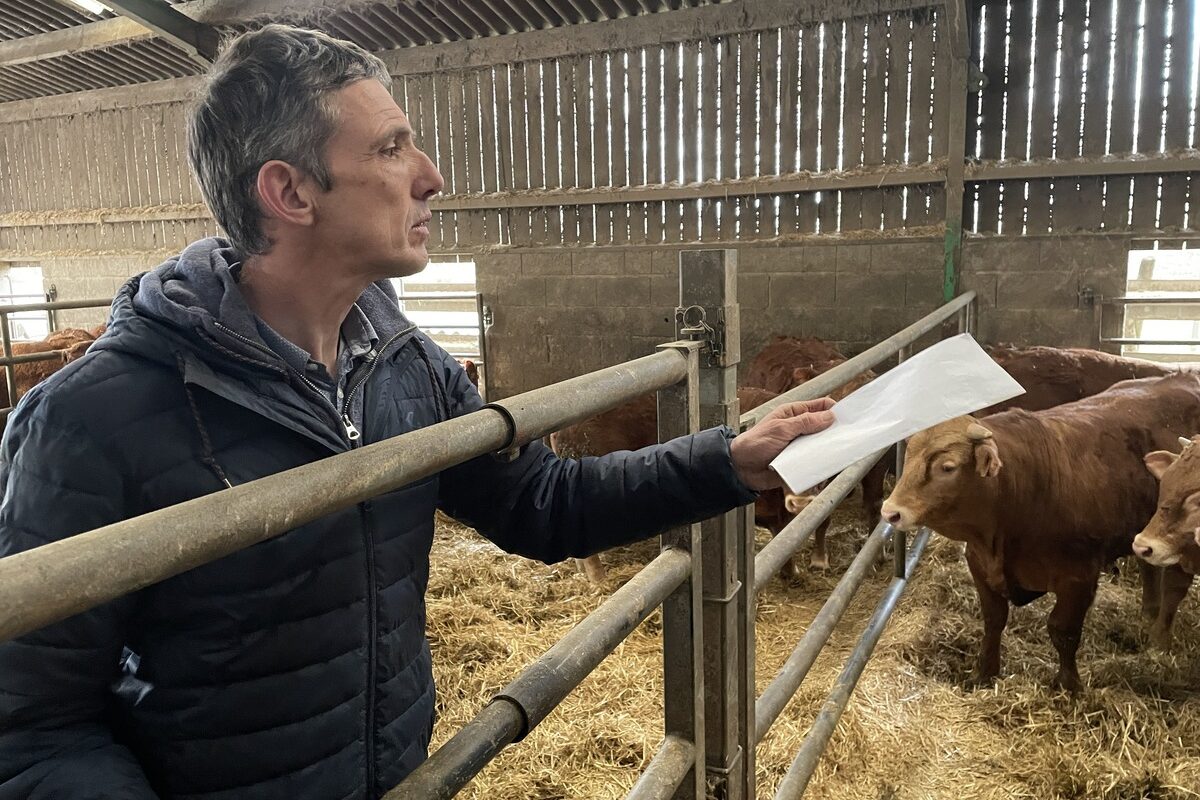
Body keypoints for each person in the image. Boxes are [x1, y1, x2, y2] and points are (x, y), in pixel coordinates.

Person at [0, 25, 835, 800]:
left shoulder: (402, 363)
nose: (431, 175)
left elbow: (540, 505)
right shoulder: (91, 419)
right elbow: (32, 727)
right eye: (392, 148)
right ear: (290, 192)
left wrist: (729, 461)